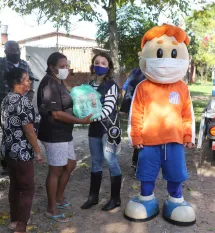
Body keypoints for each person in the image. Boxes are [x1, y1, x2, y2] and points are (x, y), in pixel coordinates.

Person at [124, 24, 196, 225]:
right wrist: (136, 136)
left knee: (176, 172)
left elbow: (187, 114)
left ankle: (176, 199)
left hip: (174, 140)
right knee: (146, 172)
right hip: (149, 141)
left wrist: (188, 135)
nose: (165, 60)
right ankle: (146, 198)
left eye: (173, 53)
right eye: (159, 53)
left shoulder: (182, 88)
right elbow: (135, 113)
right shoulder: (143, 87)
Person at [37, 52, 92, 222]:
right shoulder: (49, 83)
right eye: (62, 66)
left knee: (70, 164)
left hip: (64, 133)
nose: (65, 68)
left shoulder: (59, 81)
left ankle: (59, 199)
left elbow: (69, 102)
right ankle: (51, 208)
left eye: (66, 65)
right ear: (52, 67)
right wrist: (80, 120)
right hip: (54, 133)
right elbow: (56, 114)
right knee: (56, 170)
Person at [0, 40, 38, 174]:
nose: (16, 52)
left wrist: (29, 98)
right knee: (9, 134)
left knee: (26, 132)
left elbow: (31, 81)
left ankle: (24, 159)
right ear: (6, 52)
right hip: (6, 108)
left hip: (23, 107)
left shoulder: (24, 64)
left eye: (17, 49)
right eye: (12, 50)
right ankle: (8, 163)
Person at [0, 67, 43, 233]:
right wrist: (37, 150)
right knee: (27, 188)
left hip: (9, 149)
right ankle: (21, 227)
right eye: (26, 79)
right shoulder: (22, 101)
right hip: (22, 151)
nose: (29, 82)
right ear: (17, 83)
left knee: (15, 186)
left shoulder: (6, 99)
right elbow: (28, 129)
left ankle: (14, 220)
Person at [81, 52, 122, 211]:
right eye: (97, 62)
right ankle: (93, 197)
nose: (99, 65)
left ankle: (115, 198)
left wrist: (88, 118)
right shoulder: (89, 86)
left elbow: (107, 109)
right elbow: (85, 106)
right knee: (96, 161)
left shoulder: (112, 86)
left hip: (109, 128)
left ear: (109, 67)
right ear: (92, 65)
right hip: (94, 128)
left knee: (110, 161)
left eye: (103, 63)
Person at [120, 67, 146, 170]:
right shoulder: (138, 71)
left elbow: (125, 88)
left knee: (141, 133)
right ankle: (137, 163)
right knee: (139, 133)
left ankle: (137, 162)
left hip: (142, 107)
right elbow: (126, 88)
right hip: (138, 107)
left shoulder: (135, 71)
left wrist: (126, 105)